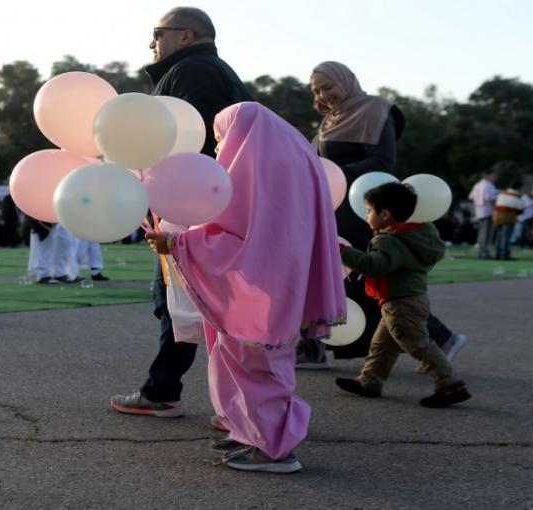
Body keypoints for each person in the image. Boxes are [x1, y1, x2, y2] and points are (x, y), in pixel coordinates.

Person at [146, 102, 346, 473]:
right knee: (245, 360)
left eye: (222, 138)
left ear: (243, 137)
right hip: (276, 286)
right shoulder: (292, 165)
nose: (219, 148)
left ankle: (274, 448)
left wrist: (175, 243)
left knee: (255, 364)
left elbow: (237, 241)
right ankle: (249, 432)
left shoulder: (248, 173)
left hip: (256, 292)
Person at [109, 6, 253, 417]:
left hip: (193, 205)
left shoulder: (194, 72)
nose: (151, 42)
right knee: (193, 304)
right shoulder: (208, 70)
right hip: (202, 201)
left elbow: (194, 142)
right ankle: (206, 396)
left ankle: (166, 392)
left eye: (157, 33)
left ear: (186, 36)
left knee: (182, 301)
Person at [298, 61, 466, 370]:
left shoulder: (376, 110)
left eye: (328, 86)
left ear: (346, 82)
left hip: (363, 209)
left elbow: (383, 161)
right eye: (317, 89)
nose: (324, 94)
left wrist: (336, 173)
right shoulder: (331, 120)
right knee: (321, 276)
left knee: (365, 279)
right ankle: (312, 347)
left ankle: (440, 337)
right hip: (331, 207)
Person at [335, 182, 472, 408]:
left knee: (417, 344)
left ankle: (449, 383)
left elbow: (375, 266)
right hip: (411, 298)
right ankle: (370, 381)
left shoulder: (388, 240)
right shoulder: (416, 235)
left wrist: (345, 253)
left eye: (369, 211)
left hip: (400, 302)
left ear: (385, 214)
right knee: (382, 345)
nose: (367, 215)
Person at [468, 169, 499, 259]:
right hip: (487, 211)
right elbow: (488, 197)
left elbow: (471, 196)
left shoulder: (477, 185)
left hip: (479, 210)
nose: (494, 177)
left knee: (481, 233)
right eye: (493, 175)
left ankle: (481, 252)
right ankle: (484, 252)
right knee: (486, 233)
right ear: (488, 175)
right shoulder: (488, 185)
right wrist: (499, 195)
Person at [492, 182, 525, 260]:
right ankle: (504, 254)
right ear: (519, 188)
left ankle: (497, 254)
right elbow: (521, 210)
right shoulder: (517, 196)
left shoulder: (502, 194)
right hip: (508, 217)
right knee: (506, 237)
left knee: (499, 236)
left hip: (497, 216)